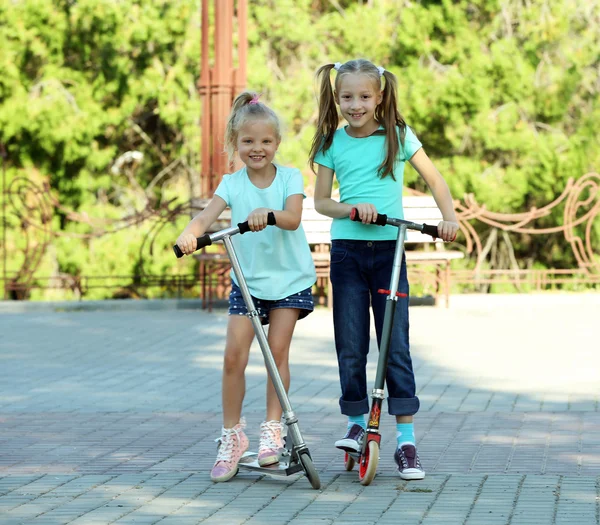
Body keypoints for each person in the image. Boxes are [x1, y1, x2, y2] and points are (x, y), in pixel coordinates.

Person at [309, 59, 459, 480]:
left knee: (395, 347)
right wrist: (352, 209)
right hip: (347, 254)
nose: (355, 105)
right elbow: (322, 202)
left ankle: (406, 442)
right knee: (351, 345)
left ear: (380, 96)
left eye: (363, 96)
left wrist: (449, 218)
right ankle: (356, 425)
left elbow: (436, 180)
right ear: (336, 98)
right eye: (346, 97)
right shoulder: (330, 142)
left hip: (390, 253)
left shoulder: (398, 136)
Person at [177, 91, 317, 482]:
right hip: (248, 283)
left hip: (289, 280)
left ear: (277, 143)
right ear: (235, 144)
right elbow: (206, 216)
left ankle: (272, 431)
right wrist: (191, 232)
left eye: (266, 141)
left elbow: (291, 218)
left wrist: (267, 213)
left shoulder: (290, 177)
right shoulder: (231, 183)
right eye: (249, 142)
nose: (258, 149)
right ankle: (232, 436)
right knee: (232, 357)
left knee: (275, 354)